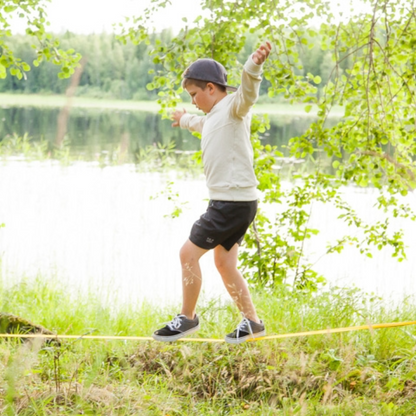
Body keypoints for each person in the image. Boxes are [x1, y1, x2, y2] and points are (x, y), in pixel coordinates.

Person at [152, 41, 272, 344]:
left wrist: (253, 66)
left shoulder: (233, 107)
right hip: (237, 201)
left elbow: (248, 92)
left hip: (230, 203)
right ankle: (252, 322)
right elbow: (201, 123)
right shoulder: (214, 117)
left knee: (187, 254)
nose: (193, 101)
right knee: (224, 263)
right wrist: (183, 120)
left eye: (194, 95)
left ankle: (187, 319)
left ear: (210, 88)